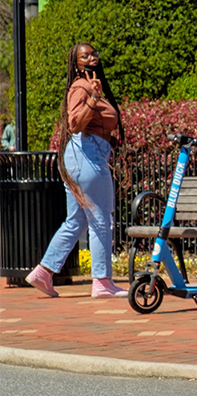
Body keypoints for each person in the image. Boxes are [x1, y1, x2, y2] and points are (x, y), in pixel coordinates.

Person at [25, 43, 128, 299]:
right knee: (101, 219)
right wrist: (93, 99)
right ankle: (102, 282)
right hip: (87, 158)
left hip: (83, 156)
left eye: (94, 54)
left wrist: (109, 139)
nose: (92, 58)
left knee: (77, 220)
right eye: (85, 55)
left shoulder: (90, 85)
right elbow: (74, 124)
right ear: (76, 62)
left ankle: (44, 271)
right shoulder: (82, 87)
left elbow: (91, 126)